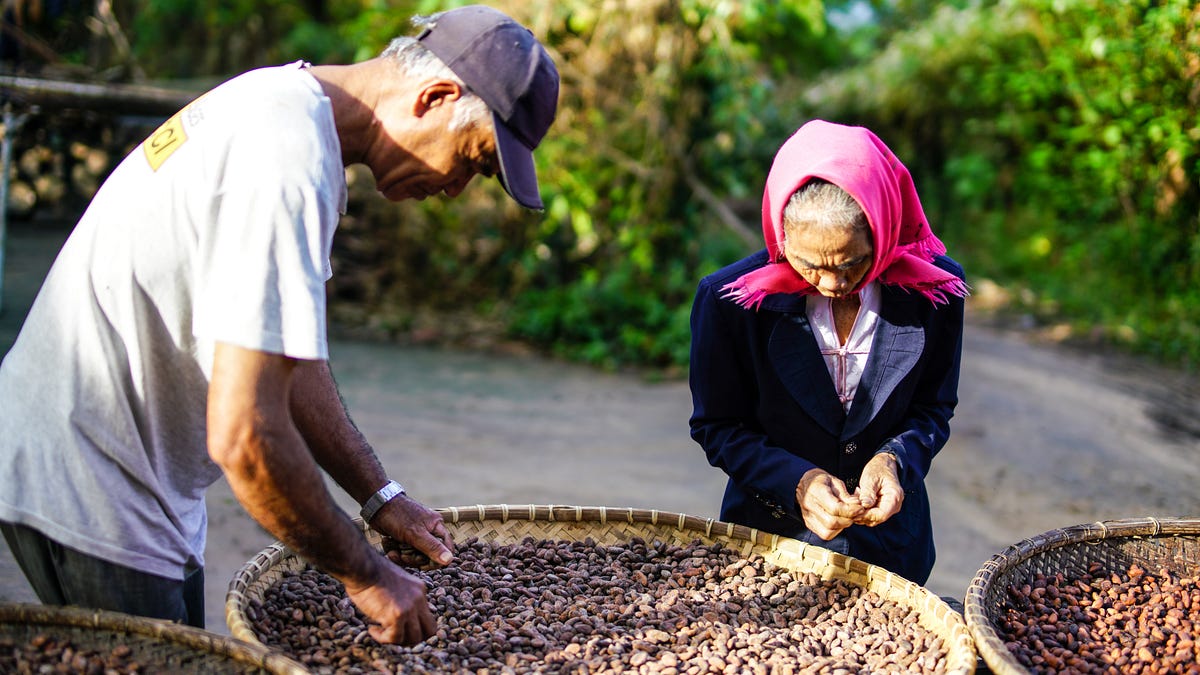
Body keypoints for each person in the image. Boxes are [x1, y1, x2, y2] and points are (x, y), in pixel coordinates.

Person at [0, 5, 558, 645]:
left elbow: (289, 358)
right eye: (473, 159)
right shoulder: (286, 164)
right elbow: (245, 437)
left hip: (120, 472)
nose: (456, 189)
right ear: (434, 97)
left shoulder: (281, 105)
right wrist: (368, 575)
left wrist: (380, 496)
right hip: (96, 483)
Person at [688, 120, 968, 584]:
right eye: (810, 265)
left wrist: (893, 461)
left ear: (883, 228)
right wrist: (797, 481)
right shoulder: (730, 302)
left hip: (892, 548)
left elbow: (933, 408)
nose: (833, 283)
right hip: (771, 544)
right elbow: (718, 426)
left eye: (854, 263)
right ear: (781, 237)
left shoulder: (934, 291)